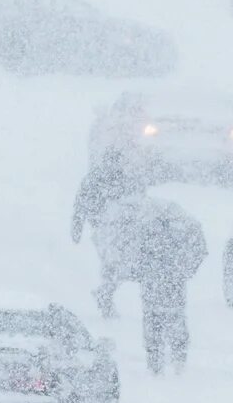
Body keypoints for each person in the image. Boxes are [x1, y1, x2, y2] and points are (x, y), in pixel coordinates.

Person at [71, 154, 147, 317]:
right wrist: (77, 228)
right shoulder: (96, 180)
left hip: (121, 229)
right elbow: (80, 204)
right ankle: (106, 294)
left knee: (119, 263)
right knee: (114, 262)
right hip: (104, 229)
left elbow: (139, 203)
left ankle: (106, 292)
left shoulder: (124, 179)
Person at [137, 198, 207, 374]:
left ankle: (157, 363)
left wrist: (140, 270)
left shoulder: (145, 226)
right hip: (171, 283)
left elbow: (134, 254)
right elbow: (200, 248)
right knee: (174, 319)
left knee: (154, 320)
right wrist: (187, 268)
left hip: (155, 283)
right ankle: (177, 360)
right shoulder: (182, 227)